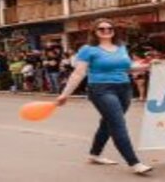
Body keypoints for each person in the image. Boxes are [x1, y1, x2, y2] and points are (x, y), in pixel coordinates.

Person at [55, 18, 153, 175]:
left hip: (124, 88)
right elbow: (79, 72)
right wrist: (65, 94)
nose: (107, 31)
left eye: (110, 28)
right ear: (94, 31)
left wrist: (147, 66)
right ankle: (134, 163)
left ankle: (95, 154)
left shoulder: (121, 47)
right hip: (101, 89)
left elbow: (128, 68)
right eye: (102, 29)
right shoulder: (88, 49)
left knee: (107, 123)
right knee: (118, 124)